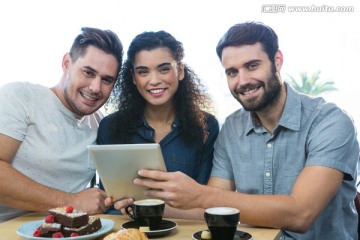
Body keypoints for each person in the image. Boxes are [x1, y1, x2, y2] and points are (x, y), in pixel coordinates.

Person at [112, 22, 359, 239]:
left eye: (252, 66)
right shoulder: (232, 128)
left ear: (277, 61)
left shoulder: (329, 122)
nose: (242, 81)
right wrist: (142, 205)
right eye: (232, 72)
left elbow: (300, 214)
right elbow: (208, 207)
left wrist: (199, 193)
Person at [0, 27, 123, 223]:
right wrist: (70, 202)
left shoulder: (100, 124)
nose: (95, 87)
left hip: (64, 232)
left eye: (106, 80)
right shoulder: (20, 97)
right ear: (66, 63)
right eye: (88, 72)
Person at [98, 30, 219, 214]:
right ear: (133, 77)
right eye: (143, 71)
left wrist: (143, 209)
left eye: (164, 69)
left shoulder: (207, 126)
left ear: (180, 71)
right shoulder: (110, 126)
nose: (154, 80)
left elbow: (207, 205)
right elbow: (108, 202)